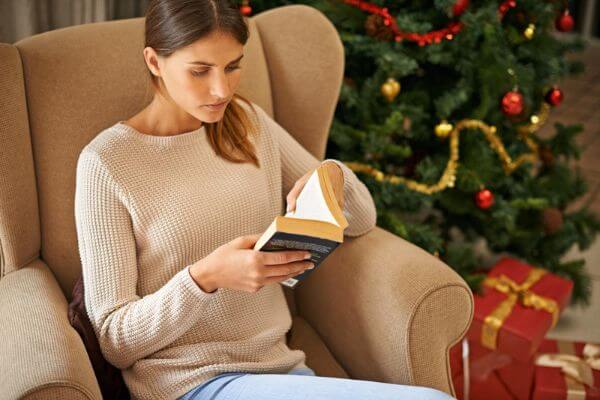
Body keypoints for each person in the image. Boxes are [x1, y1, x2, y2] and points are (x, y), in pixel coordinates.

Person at [73, 0, 455, 399]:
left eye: (232, 66)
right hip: (190, 385)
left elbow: (361, 218)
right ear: (154, 61)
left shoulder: (245, 122)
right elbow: (115, 341)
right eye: (200, 71)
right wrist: (204, 279)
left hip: (283, 373)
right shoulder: (106, 163)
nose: (221, 89)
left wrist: (332, 176)